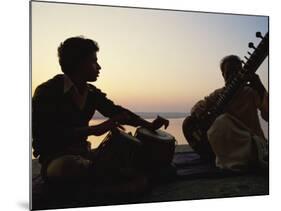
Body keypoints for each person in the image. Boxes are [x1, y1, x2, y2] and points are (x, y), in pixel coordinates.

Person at [32, 36, 169, 185]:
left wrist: (149, 125)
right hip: (56, 159)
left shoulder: (91, 92)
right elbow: (47, 134)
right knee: (68, 168)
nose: (99, 67)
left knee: (134, 153)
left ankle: (106, 175)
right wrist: (94, 130)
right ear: (78, 63)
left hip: (85, 154)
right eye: (93, 61)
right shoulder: (46, 91)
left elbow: (117, 111)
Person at [183, 55, 268, 171]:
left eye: (236, 71)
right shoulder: (218, 94)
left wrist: (260, 87)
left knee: (222, 122)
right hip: (227, 146)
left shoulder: (251, 92)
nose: (232, 75)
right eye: (228, 72)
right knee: (192, 122)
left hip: (251, 145)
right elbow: (198, 106)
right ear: (223, 75)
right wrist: (200, 115)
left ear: (241, 72)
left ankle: (236, 159)